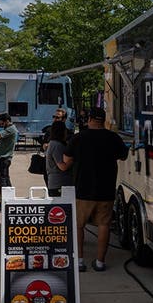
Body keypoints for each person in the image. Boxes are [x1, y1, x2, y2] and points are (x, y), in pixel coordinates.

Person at [63, 107, 127, 272]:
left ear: (89, 119)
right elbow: (123, 155)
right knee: (104, 224)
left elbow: (66, 160)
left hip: (83, 190)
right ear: (104, 120)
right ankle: (99, 262)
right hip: (106, 190)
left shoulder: (78, 138)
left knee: (79, 225)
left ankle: (79, 261)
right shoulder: (113, 138)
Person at [0, 112, 18, 212]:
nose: (1, 124)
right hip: (2, 158)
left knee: (2, 182)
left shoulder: (10, 129)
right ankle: (9, 201)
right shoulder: (8, 128)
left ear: (7, 121)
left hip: (3, 158)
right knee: (5, 180)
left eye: (2, 122)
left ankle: (4, 203)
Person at [44, 120, 71, 197]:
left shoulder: (53, 143)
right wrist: (72, 160)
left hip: (56, 183)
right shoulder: (56, 145)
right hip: (58, 184)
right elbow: (62, 166)